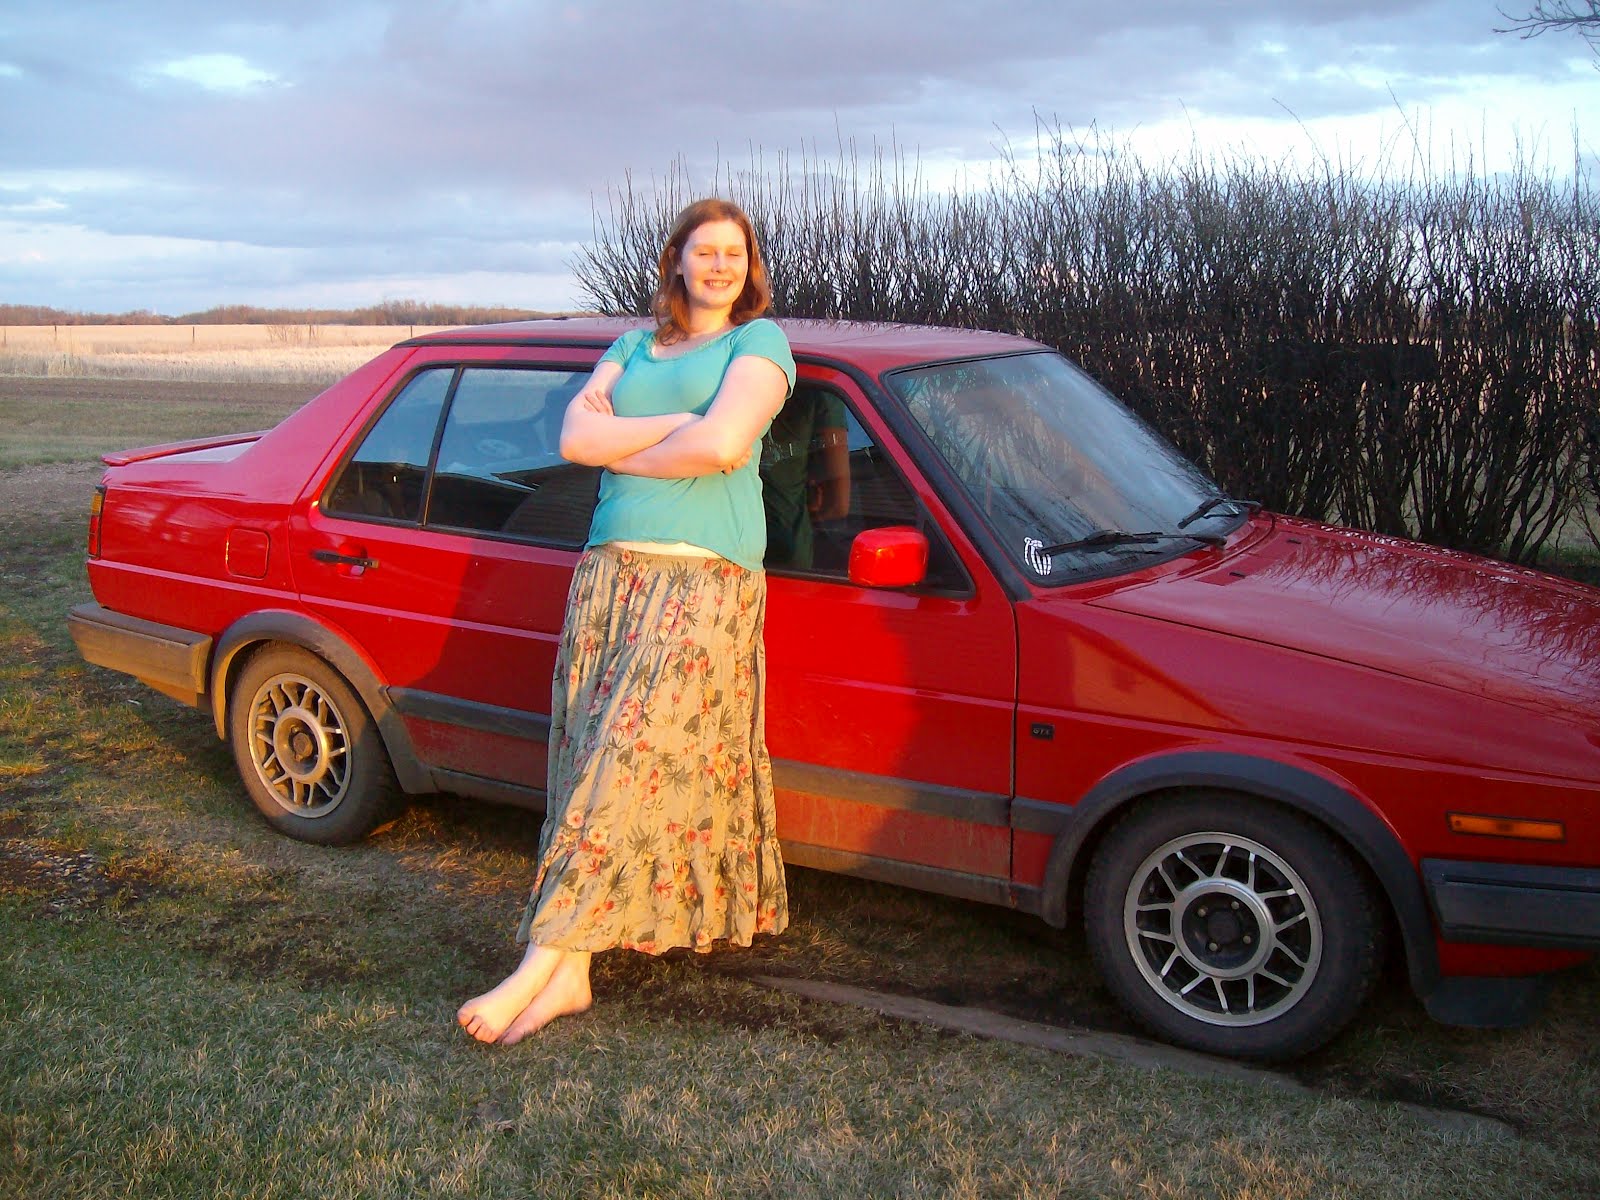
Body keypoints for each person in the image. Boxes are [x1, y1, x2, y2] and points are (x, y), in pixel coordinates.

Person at [457, 198, 794, 1044]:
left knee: (624, 757)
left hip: (705, 581)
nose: (718, 265)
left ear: (747, 266)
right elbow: (575, 438)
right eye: (702, 251)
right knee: (588, 763)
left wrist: (635, 444)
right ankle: (569, 976)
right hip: (610, 574)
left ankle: (541, 957)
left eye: (733, 253)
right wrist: (676, 423)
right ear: (675, 261)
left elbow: (722, 448)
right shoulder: (631, 345)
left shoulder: (759, 345)